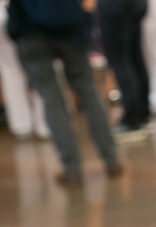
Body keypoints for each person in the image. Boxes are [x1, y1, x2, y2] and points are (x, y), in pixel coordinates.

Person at [6, 0, 121, 185]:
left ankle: (72, 169)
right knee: (89, 93)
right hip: (70, 29)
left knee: (51, 98)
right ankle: (111, 159)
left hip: (31, 33)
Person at [96, 0, 150, 141]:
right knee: (134, 56)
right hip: (135, 4)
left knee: (119, 59)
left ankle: (132, 120)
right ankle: (143, 114)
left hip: (115, 6)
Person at [0, 0, 48, 139]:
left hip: (11, 14)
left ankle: (22, 125)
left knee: (11, 72)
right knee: (40, 69)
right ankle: (44, 125)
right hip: (30, 15)